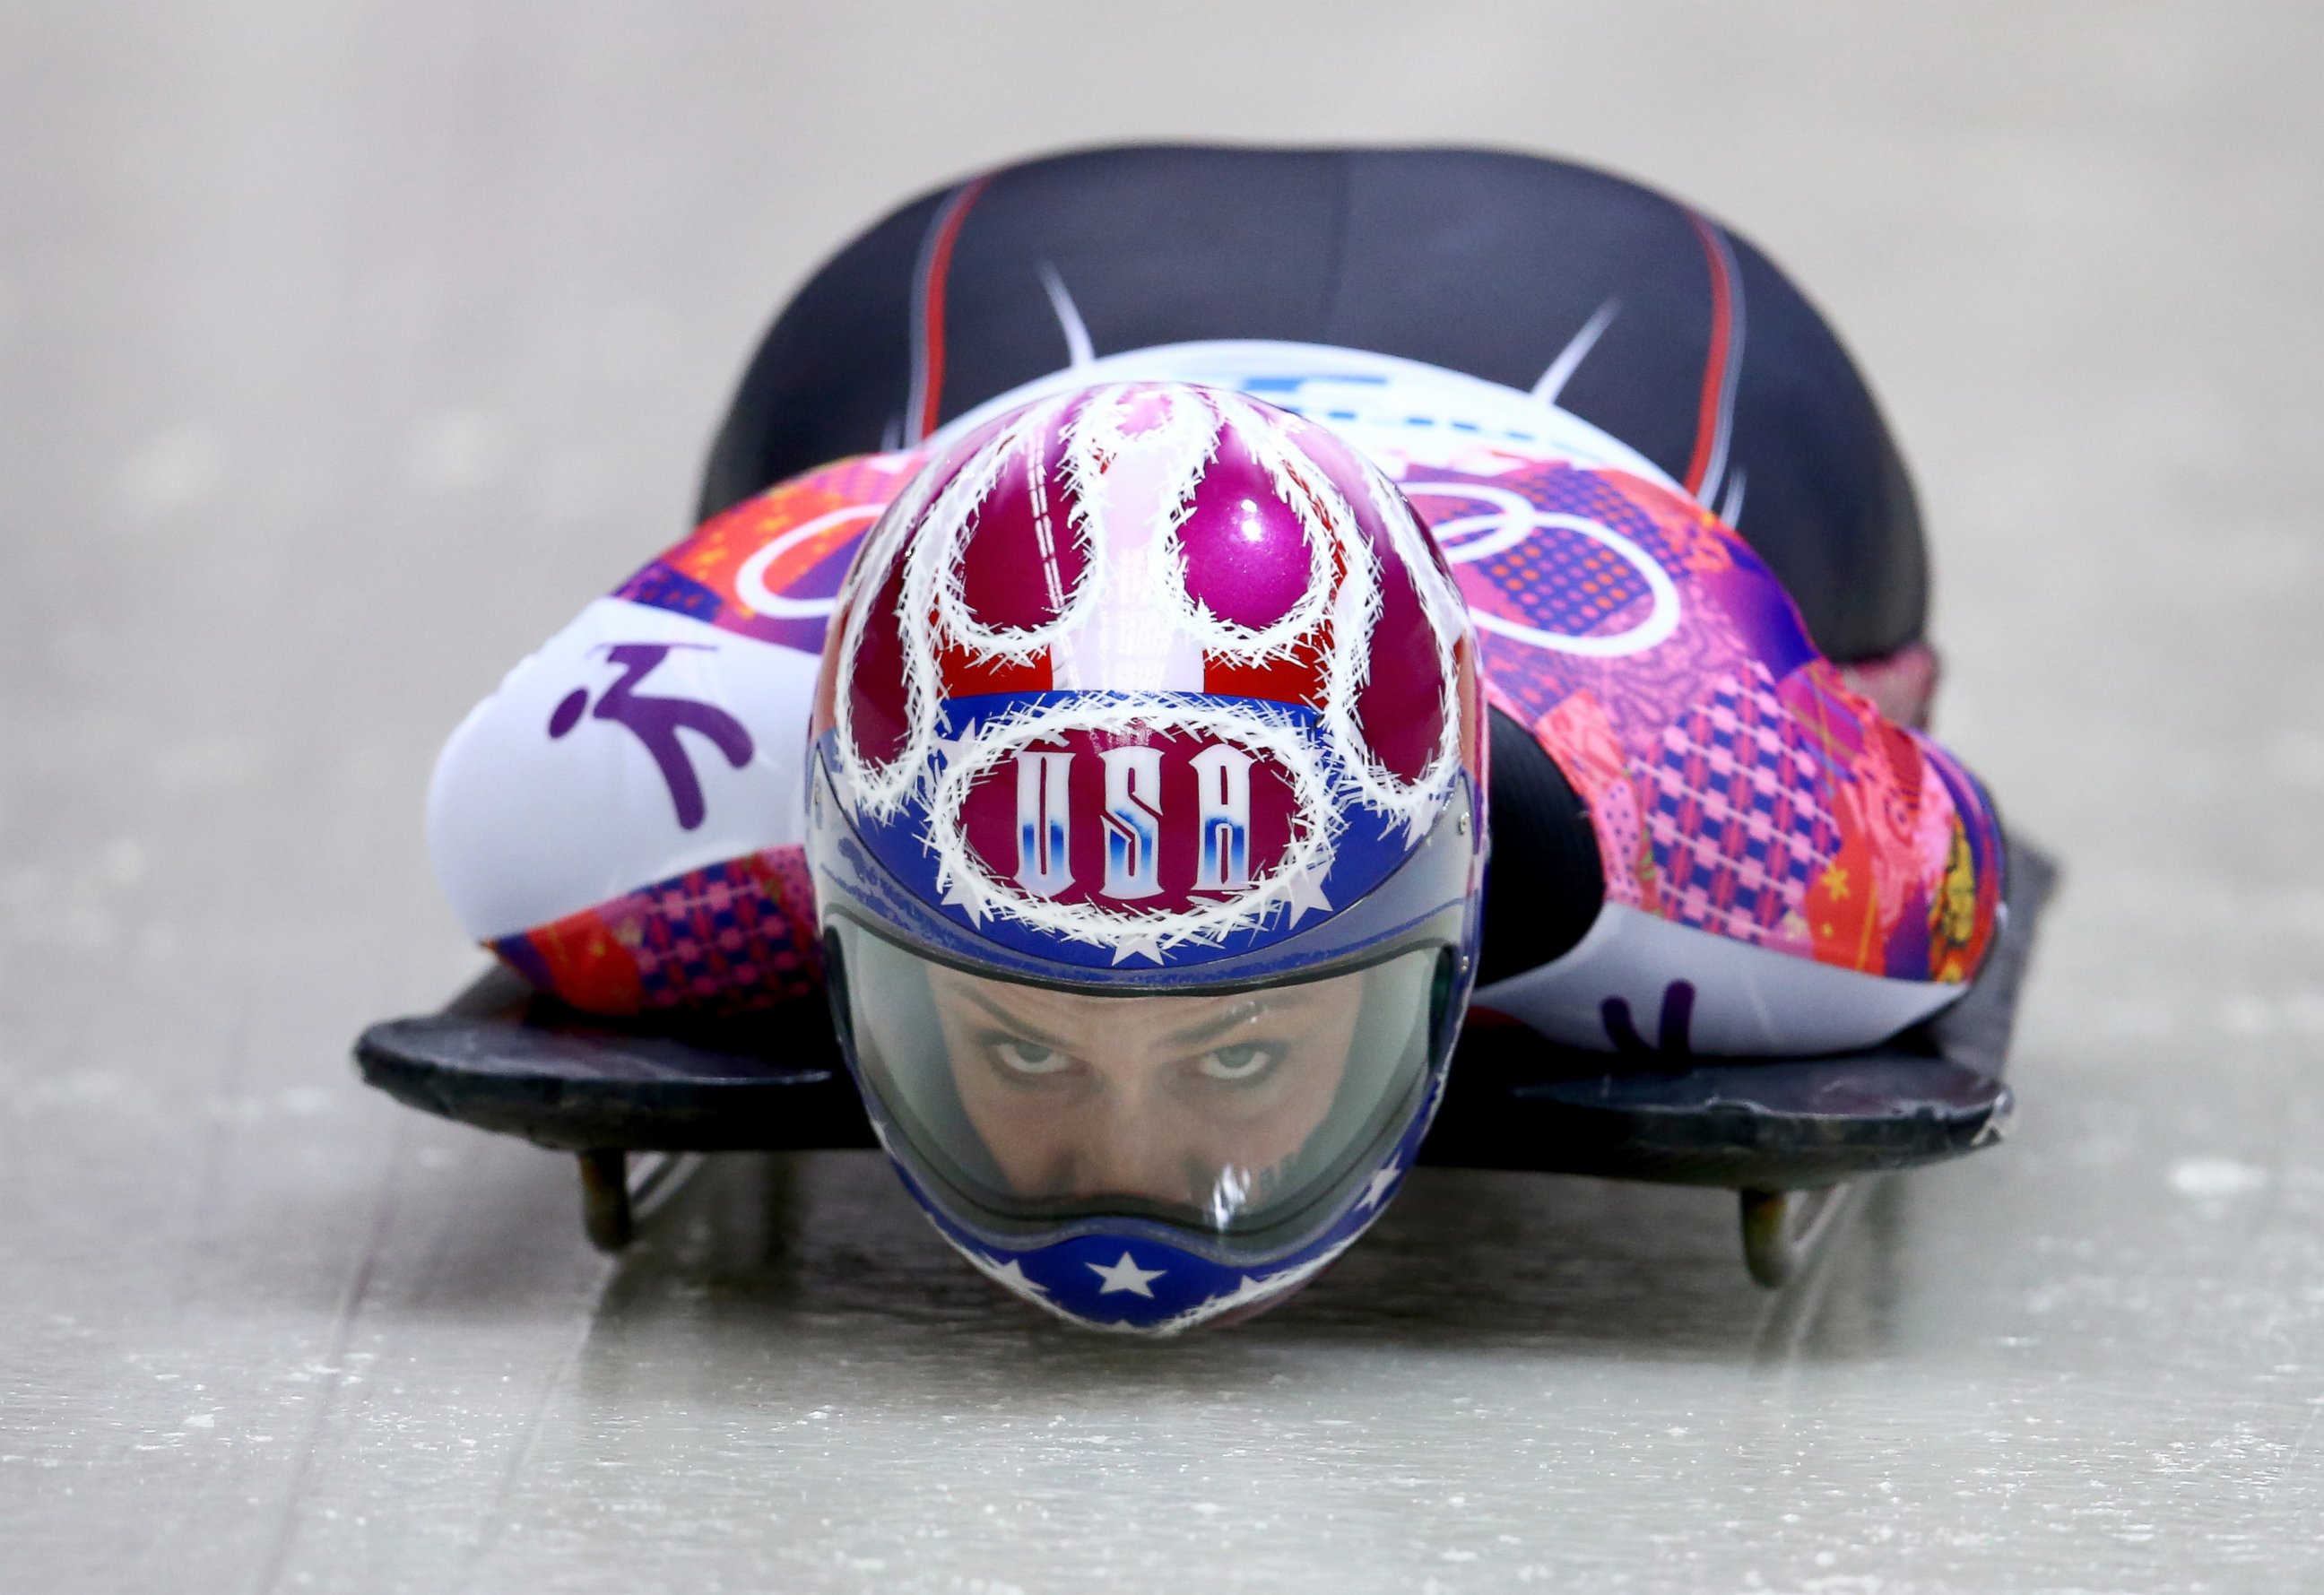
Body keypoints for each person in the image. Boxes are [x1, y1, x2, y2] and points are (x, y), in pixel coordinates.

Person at [424, 147, 2005, 1331]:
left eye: (1236, 1049)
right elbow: (1962, 877)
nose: (1134, 1172)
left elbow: (1943, 851)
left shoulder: (1738, 823)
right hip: (1617, 307)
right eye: (1026, 1043)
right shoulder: (585, 808)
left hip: (986, 302)